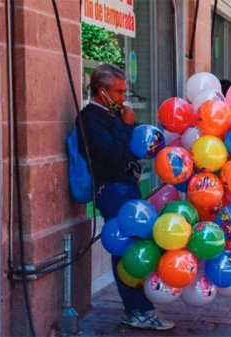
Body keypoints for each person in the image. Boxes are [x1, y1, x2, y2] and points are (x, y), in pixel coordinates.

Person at [77, 64, 174, 330]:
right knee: (126, 247)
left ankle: (139, 306)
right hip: (110, 189)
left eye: (123, 91)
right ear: (102, 91)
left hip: (125, 186)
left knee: (138, 244)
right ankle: (136, 309)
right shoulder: (89, 118)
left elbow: (129, 150)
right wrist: (126, 126)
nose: (122, 97)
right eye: (118, 92)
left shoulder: (112, 114)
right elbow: (108, 153)